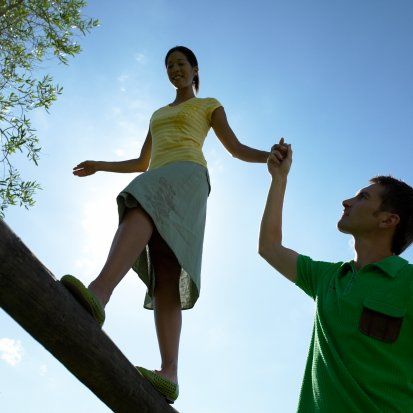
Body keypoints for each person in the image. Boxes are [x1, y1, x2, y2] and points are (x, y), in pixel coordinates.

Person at [61, 46, 273, 404]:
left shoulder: (208, 105)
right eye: (169, 66)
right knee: (165, 269)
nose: (175, 69)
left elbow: (234, 148)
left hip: (189, 175)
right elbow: (143, 161)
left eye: (181, 64)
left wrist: (270, 157)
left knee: (140, 201)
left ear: (195, 70)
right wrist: (100, 164)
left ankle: (98, 294)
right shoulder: (158, 113)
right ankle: (170, 375)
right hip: (159, 173)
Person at [258, 139, 413, 412]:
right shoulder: (327, 277)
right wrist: (279, 179)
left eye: (363, 197)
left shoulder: (408, 282)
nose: (347, 202)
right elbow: (270, 247)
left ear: (388, 220)